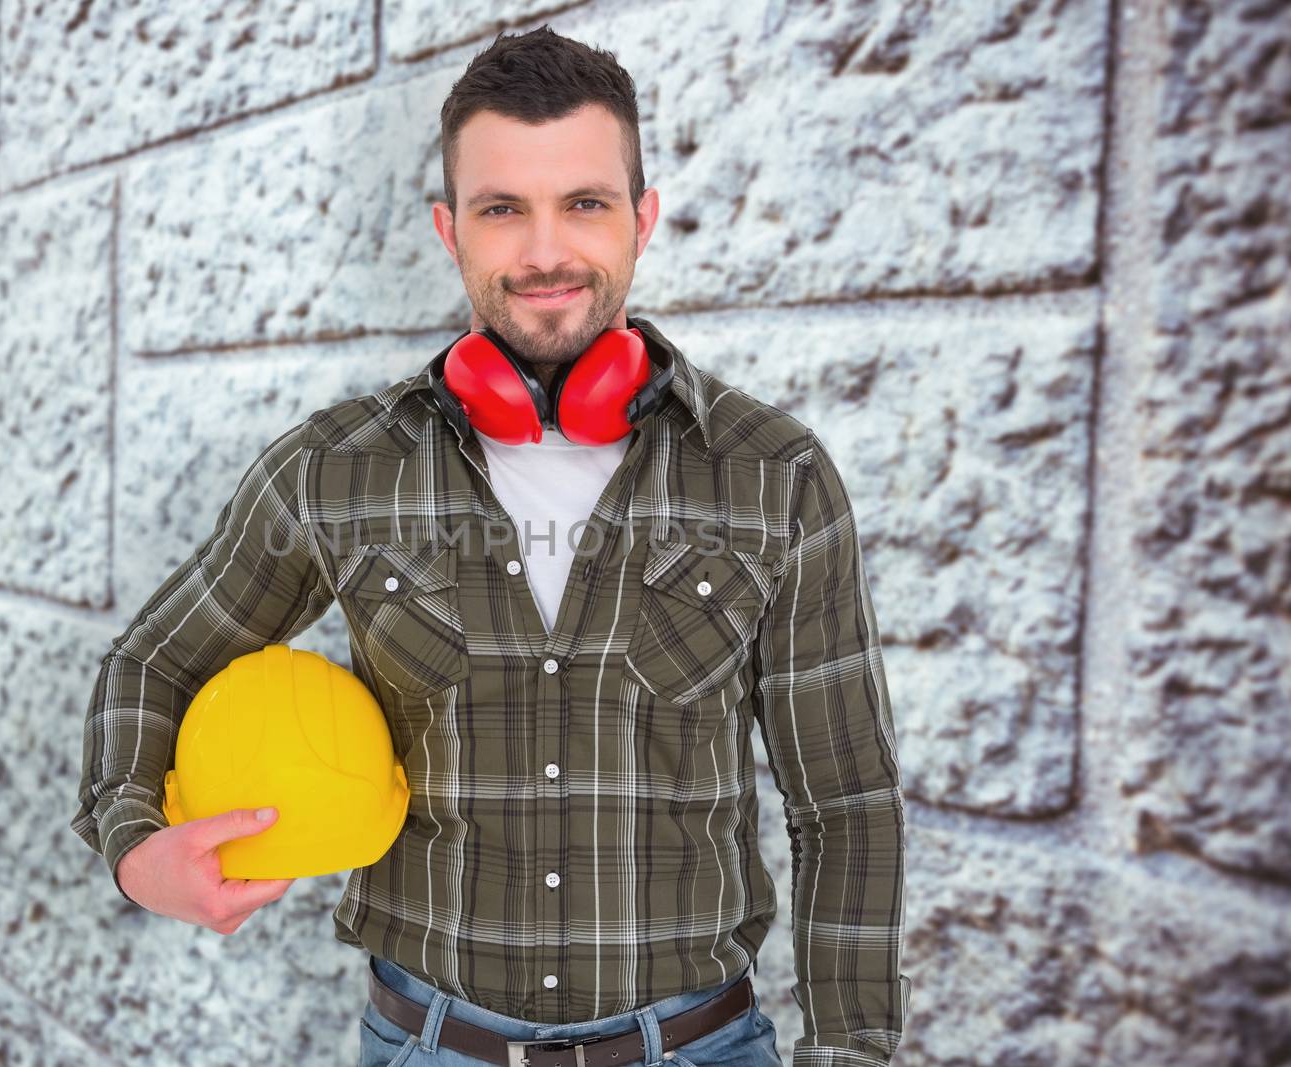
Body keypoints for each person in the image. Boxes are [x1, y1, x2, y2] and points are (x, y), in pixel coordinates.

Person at [71, 24, 912, 1067]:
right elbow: (155, 661)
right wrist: (132, 846)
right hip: (428, 1042)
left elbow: (845, 805)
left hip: (698, 1044)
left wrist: (853, 1053)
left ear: (642, 220)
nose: (546, 249)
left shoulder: (774, 475)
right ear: (449, 229)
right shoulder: (335, 468)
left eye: (585, 204)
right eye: (502, 208)